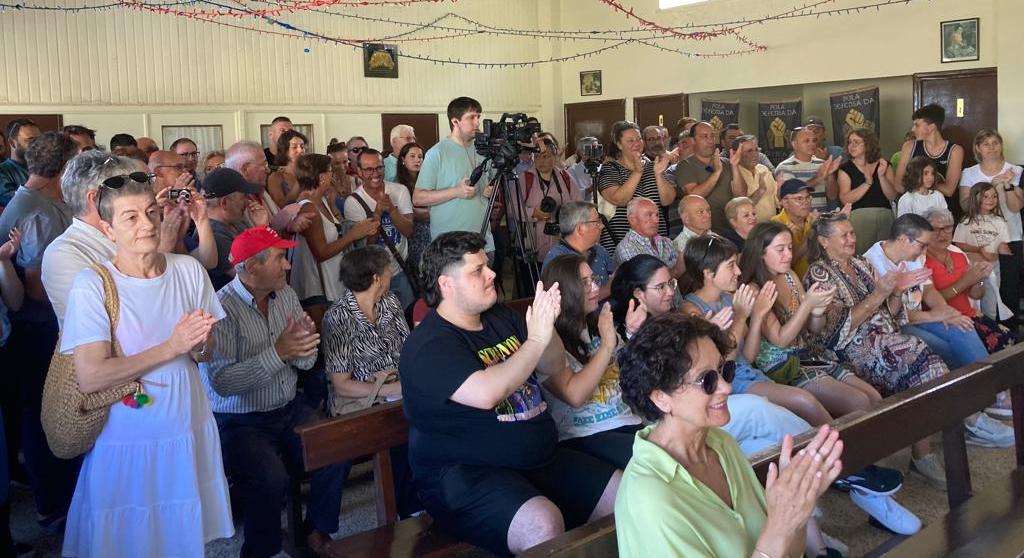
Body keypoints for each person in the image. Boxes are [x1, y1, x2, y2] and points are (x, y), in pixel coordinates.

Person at [400, 232, 620, 556]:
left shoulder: (501, 317)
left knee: (625, 493)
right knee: (542, 524)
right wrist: (534, 340)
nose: (491, 274)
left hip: (539, 459)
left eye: (487, 265)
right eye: (477, 271)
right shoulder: (429, 345)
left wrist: (547, 326)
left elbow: (551, 365)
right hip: (467, 475)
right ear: (447, 284)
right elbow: (489, 392)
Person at [59, 173, 232, 556]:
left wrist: (200, 344)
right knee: (129, 539)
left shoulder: (187, 270)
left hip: (186, 423)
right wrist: (171, 345)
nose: (148, 224)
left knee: (182, 534)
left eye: (152, 212)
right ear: (107, 228)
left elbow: (207, 353)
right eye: (131, 217)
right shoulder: (94, 284)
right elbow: (91, 376)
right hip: (130, 435)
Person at [614, 312, 843, 558]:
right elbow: (774, 540)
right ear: (661, 397)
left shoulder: (721, 445)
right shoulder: (649, 498)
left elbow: (788, 552)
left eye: (724, 370)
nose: (726, 387)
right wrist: (779, 527)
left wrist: (796, 511)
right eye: (707, 380)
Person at [607, 254, 814, 458]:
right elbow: (637, 384)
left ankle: (831, 468)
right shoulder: (621, 331)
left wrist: (708, 336)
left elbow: (726, 365)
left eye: (671, 283)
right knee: (756, 409)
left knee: (762, 447)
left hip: (696, 413)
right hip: (672, 424)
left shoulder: (673, 320)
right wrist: (632, 334)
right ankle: (829, 453)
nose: (670, 292)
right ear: (639, 294)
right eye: (660, 287)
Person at [804, 211, 952, 488]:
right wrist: (880, 294)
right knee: (921, 358)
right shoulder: (819, 274)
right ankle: (921, 454)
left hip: (884, 337)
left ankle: (921, 451)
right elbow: (835, 333)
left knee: (926, 364)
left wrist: (895, 293)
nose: (852, 239)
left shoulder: (861, 265)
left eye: (852, 233)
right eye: (844, 235)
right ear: (824, 241)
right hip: (850, 349)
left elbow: (889, 313)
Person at [0, 131, 80, 531]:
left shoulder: (38, 202)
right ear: (63, 170)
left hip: (41, 326)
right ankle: (53, 503)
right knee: (44, 413)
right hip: (38, 328)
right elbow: (35, 287)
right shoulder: (39, 213)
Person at [320, 246, 420, 515]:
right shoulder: (338, 317)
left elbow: (408, 348)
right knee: (396, 425)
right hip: (361, 399)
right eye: (388, 270)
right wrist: (388, 389)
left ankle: (425, 498)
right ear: (377, 277)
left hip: (398, 388)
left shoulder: (391, 303)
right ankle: (409, 507)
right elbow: (341, 384)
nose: (391, 274)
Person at [537, 254, 642, 469]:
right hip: (586, 435)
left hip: (627, 420)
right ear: (564, 291)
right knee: (661, 462)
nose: (595, 287)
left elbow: (630, 370)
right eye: (584, 283)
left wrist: (631, 334)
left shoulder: (596, 324)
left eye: (593, 279)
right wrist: (606, 346)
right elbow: (574, 395)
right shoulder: (547, 337)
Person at [922, 207, 1016, 416]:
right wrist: (966, 280)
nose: (942, 234)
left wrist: (979, 277)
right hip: (948, 319)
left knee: (1011, 340)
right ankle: (993, 397)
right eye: (936, 229)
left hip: (971, 315)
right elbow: (930, 303)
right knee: (992, 344)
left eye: (947, 228)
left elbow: (977, 295)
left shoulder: (958, 254)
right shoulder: (921, 259)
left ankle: (1005, 393)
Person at [290, 153, 377, 324]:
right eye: (330, 171)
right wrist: (353, 235)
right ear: (322, 177)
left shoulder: (321, 201)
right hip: (316, 288)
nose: (333, 176)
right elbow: (320, 252)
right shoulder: (309, 208)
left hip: (333, 280)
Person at [413, 97, 496, 253]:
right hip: (451, 248)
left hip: (484, 243)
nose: (477, 122)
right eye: (471, 117)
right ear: (455, 122)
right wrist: (456, 191)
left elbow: (487, 187)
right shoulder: (437, 153)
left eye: (478, 116)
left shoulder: (483, 151)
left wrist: (487, 190)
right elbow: (418, 198)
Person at [959, 129, 1023, 325]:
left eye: (995, 142)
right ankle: (988, 331)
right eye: (986, 144)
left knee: (1010, 287)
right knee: (984, 286)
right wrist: (993, 187)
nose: (992, 147)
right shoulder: (969, 173)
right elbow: (964, 205)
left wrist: (1008, 184)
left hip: (1010, 236)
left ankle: (1010, 336)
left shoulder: (1016, 170)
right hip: (980, 238)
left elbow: (1016, 206)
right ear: (978, 148)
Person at [345, 147, 417, 309]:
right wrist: (377, 213)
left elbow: (409, 231)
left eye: (379, 167)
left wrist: (391, 209)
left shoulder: (400, 190)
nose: (375, 173)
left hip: (400, 270)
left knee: (408, 317)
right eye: (369, 169)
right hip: (373, 277)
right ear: (359, 172)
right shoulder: (353, 202)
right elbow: (366, 247)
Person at [597, 121, 675, 253]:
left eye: (639, 139)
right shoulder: (611, 168)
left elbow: (668, 200)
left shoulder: (652, 166)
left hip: (655, 242)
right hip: (621, 242)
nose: (636, 144)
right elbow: (619, 199)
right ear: (619, 144)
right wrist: (637, 172)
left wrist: (658, 175)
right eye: (630, 140)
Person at [955, 181, 1014, 322]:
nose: (991, 200)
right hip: (971, 268)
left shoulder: (1000, 221)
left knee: (990, 306)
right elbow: (959, 244)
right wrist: (980, 250)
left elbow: (1002, 245)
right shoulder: (966, 221)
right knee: (972, 304)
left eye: (994, 196)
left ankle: (990, 334)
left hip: (992, 268)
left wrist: (1004, 251)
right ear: (975, 198)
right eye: (985, 196)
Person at [894, 104, 964, 220]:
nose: (912, 129)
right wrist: (926, 187)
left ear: (931, 127)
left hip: (943, 213)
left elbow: (949, 190)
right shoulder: (909, 146)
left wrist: (918, 183)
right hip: (915, 212)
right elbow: (899, 186)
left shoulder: (955, 150)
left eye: (917, 125)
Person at [675, 121, 742, 235]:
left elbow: (741, 195)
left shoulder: (726, 162)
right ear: (693, 141)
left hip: (733, 228)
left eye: (712, 136)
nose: (710, 141)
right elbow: (694, 194)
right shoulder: (685, 165)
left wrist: (735, 167)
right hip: (707, 232)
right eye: (704, 137)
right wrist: (717, 172)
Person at [838, 128, 898, 254]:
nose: (851, 146)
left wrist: (881, 176)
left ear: (868, 144)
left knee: (886, 255)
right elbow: (845, 199)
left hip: (884, 216)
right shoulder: (845, 169)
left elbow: (892, 195)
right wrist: (867, 183)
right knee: (862, 255)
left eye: (856, 142)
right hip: (859, 218)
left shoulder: (883, 165)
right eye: (849, 142)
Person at [522, 139, 580, 266]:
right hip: (533, 248)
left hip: (562, 246)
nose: (540, 161)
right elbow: (512, 209)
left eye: (546, 157)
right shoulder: (526, 178)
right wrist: (533, 213)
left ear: (555, 157)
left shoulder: (565, 177)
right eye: (536, 156)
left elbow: (578, 206)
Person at [542, 201, 616, 300]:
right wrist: (608, 289)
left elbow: (616, 277)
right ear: (581, 229)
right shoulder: (557, 260)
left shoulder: (599, 250)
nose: (602, 226)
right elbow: (570, 302)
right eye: (597, 222)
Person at [774, 127, 841, 212]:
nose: (812, 144)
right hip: (796, 223)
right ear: (794, 144)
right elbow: (792, 194)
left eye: (814, 140)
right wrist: (818, 178)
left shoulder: (822, 164)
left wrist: (830, 174)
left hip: (820, 221)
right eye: (807, 141)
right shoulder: (784, 167)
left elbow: (832, 196)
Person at [614, 197, 684, 278]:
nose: (656, 220)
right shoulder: (626, 248)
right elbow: (646, 283)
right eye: (649, 215)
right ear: (632, 220)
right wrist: (677, 270)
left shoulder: (666, 241)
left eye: (657, 215)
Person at [394, 142, 431, 269]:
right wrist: (433, 212)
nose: (417, 160)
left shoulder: (428, 180)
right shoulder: (397, 184)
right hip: (412, 235)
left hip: (431, 232)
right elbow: (410, 213)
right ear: (403, 159)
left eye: (420, 157)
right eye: (412, 156)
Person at [771, 178, 815, 278]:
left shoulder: (813, 219)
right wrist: (813, 231)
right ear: (785, 203)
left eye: (808, 197)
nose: (806, 202)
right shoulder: (775, 226)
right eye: (799, 199)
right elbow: (785, 264)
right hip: (792, 284)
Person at [732, 134, 779, 222]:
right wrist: (760, 191)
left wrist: (781, 185)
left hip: (771, 225)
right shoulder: (734, 175)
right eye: (749, 151)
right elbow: (741, 207)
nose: (755, 154)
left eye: (756, 150)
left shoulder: (763, 169)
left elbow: (777, 199)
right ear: (736, 153)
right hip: (750, 229)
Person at [0, 119, 40, 207]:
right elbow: (15, 202)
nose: (38, 145)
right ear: (12, 143)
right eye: (31, 140)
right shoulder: (2, 171)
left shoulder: (46, 168)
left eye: (39, 140)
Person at [267, 129, 308, 208]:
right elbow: (279, 207)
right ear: (284, 151)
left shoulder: (310, 172)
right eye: (294, 147)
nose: (300, 150)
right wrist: (299, 183)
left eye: (302, 146)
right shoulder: (276, 177)